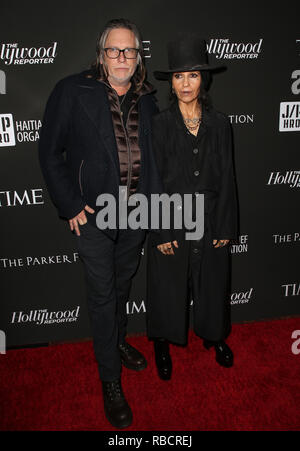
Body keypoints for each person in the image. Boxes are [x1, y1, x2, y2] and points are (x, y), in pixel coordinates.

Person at [39, 18, 162, 429]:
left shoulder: (147, 98)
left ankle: (117, 340)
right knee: (103, 296)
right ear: (102, 53)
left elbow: (155, 158)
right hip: (93, 215)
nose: (122, 57)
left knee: (124, 283)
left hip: (135, 214)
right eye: (114, 50)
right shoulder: (73, 91)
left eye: (130, 50)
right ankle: (110, 379)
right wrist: (70, 203)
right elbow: (49, 151)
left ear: (138, 55)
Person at [146, 33, 238, 380]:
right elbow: (152, 180)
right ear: (171, 81)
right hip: (170, 217)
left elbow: (228, 177)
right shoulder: (159, 125)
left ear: (205, 78)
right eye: (179, 76)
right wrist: (161, 229)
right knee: (167, 287)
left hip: (212, 218)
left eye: (194, 75)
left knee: (212, 283)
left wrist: (226, 225)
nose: (186, 83)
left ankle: (214, 337)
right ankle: (162, 342)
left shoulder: (221, 123)